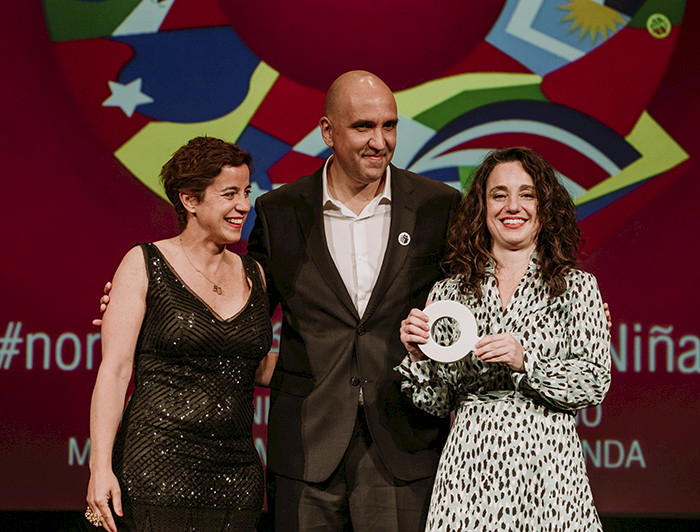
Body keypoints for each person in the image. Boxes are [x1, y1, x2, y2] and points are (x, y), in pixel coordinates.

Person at [246, 70, 462, 530]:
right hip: (307, 446)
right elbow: (244, 315)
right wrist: (155, 299)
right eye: (363, 127)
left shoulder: (438, 206)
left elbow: (477, 298)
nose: (379, 141)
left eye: (390, 126)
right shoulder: (280, 211)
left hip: (403, 443)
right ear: (328, 132)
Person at [398, 146, 611, 531]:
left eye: (526, 194)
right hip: (470, 467)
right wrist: (417, 356)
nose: (513, 206)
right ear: (481, 207)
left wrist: (526, 361)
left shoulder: (578, 288)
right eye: (499, 194)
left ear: (545, 206)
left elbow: (593, 383)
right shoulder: (450, 293)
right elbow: (438, 401)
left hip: (549, 472)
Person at [85, 137, 274, 532]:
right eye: (229, 194)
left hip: (237, 477)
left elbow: (255, 368)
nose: (244, 205)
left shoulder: (253, 273)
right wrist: (99, 467)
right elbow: (116, 370)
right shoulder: (144, 263)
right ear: (189, 200)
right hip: (155, 467)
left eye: (246, 192)